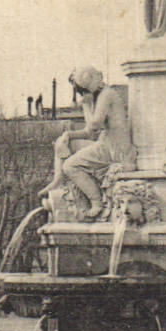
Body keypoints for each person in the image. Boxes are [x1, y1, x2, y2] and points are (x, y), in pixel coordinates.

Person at [45, 66, 136, 220]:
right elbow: (89, 132)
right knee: (62, 142)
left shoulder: (106, 95)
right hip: (107, 143)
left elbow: (94, 126)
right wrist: (68, 134)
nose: (80, 94)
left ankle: (96, 201)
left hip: (115, 148)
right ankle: (57, 181)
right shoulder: (102, 96)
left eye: (80, 90)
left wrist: (86, 105)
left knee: (70, 166)